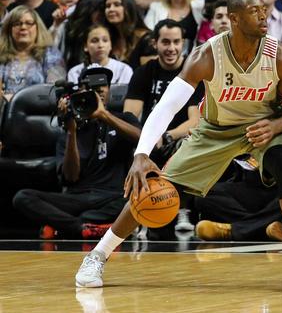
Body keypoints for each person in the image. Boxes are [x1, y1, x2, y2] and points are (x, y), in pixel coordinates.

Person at [75, 0, 282, 292]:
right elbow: (166, 107)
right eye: (254, 11)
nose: (263, 15)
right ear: (234, 19)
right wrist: (141, 154)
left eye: (264, 10)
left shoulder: (280, 56)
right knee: (157, 189)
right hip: (215, 129)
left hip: (263, 126)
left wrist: (276, 125)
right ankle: (97, 255)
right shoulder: (207, 55)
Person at [12, 67, 141, 239]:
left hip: (112, 197)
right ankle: (83, 227)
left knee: (135, 201)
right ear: (81, 92)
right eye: (92, 87)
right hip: (76, 198)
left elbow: (145, 140)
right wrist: (71, 132)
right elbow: (70, 177)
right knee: (22, 197)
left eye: (103, 85)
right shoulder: (70, 127)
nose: (99, 90)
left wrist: (104, 116)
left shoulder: (124, 119)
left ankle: (64, 225)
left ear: (109, 89)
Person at [195, 122, 282, 241]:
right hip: (256, 190)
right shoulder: (245, 119)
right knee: (206, 194)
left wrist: (275, 124)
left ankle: (231, 231)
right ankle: (268, 227)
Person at [123, 19, 202, 168]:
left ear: (183, 43)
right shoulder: (144, 72)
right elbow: (129, 116)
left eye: (176, 42)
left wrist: (166, 136)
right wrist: (147, 139)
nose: (171, 48)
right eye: (165, 42)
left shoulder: (193, 72)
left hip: (181, 141)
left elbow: (195, 121)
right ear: (155, 43)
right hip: (148, 141)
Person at [0, 5, 65, 101]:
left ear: (38, 27)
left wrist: (17, 99)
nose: (23, 27)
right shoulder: (1, 54)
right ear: (9, 29)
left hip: (40, 109)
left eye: (29, 23)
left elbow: (56, 91)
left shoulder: (51, 54)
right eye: (17, 23)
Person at [67, 24, 133, 84]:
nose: (100, 45)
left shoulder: (123, 70)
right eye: (94, 41)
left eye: (105, 40)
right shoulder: (75, 72)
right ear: (85, 46)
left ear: (111, 45)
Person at [103, 0, 152, 68]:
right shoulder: (107, 39)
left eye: (117, 5)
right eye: (107, 6)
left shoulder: (146, 39)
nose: (111, 9)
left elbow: (149, 73)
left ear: (129, 7)